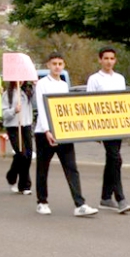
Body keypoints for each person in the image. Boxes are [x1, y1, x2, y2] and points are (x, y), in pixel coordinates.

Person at [34, 53, 98, 216]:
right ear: (48, 65)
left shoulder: (63, 85)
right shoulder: (42, 84)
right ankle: (42, 201)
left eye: (60, 63)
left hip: (63, 132)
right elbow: (42, 107)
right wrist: (47, 130)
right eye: (54, 63)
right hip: (44, 133)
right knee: (43, 168)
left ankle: (79, 204)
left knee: (71, 167)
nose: (57, 66)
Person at [86, 47, 130, 213]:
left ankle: (105, 197)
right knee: (116, 158)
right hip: (103, 125)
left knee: (112, 160)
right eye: (106, 58)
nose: (109, 61)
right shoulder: (94, 79)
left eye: (112, 58)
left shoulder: (120, 78)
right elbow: (89, 103)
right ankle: (120, 198)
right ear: (100, 60)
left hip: (117, 124)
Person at [2, 81, 34, 196]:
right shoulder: (7, 94)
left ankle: (18, 180)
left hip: (26, 125)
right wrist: (14, 111)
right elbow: (4, 113)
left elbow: (37, 104)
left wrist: (36, 85)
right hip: (13, 127)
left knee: (28, 155)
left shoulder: (28, 92)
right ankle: (18, 180)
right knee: (21, 154)